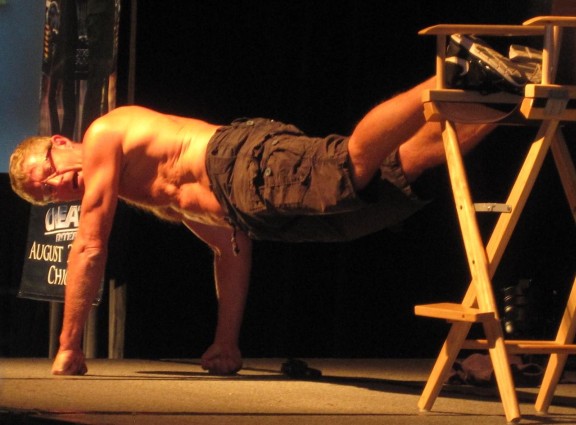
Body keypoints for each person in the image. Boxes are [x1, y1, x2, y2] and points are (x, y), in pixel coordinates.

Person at [9, 76, 493, 376]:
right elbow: (229, 246)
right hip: (247, 207)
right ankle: (499, 102)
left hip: (237, 161)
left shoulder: (103, 134)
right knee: (396, 178)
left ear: (60, 141)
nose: (59, 184)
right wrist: (226, 341)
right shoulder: (148, 194)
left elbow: (90, 247)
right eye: (49, 192)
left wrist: (69, 346)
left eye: (49, 172)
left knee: (348, 166)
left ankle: (450, 75)